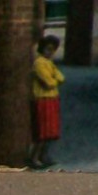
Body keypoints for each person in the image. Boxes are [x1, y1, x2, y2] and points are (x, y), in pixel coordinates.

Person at [29, 35, 64, 168]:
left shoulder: (49, 63)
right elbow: (49, 82)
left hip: (52, 99)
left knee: (50, 132)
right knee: (43, 131)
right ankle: (35, 157)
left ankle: (43, 156)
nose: (50, 52)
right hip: (43, 99)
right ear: (42, 49)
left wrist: (55, 79)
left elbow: (61, 77)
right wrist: (55, 80)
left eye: (52, 50)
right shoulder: (39, 63)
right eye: (47, 49)